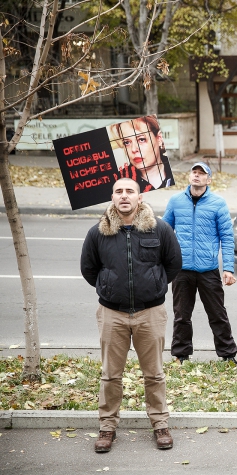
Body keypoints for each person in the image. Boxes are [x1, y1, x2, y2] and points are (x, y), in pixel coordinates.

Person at [80, 178, 182, 452]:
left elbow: (173, 264)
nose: (124, 196)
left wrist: (155, 286)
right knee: (110, 375)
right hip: (112, 314)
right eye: (119, 192)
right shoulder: (98, 233)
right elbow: (89, 269)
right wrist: (110, 287)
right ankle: (107, 427)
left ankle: (160, 424)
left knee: (154, 374)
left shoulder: (159, 229)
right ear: (112, 197)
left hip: (151, 313)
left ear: (140, 197)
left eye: (130, 191)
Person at [163, 162, 237, 365]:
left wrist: (229, 268)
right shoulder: (176, 201)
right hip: (181, 270)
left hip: (208, 270)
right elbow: (164, 233)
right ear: (189, 176)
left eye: (201, 173)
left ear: (209, 179)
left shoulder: (218, 203)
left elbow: (227, 237)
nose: (196, 176)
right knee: (181, 316)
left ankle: (228, 355)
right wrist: (164, 264)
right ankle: (181, 355)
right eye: (194, 172)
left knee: (217, 314)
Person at [110, 116, 174, 192]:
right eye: (126, 142)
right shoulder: (117, 181)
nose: (133, 149)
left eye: (141, 139)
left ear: (159, 139)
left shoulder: (172, 171)